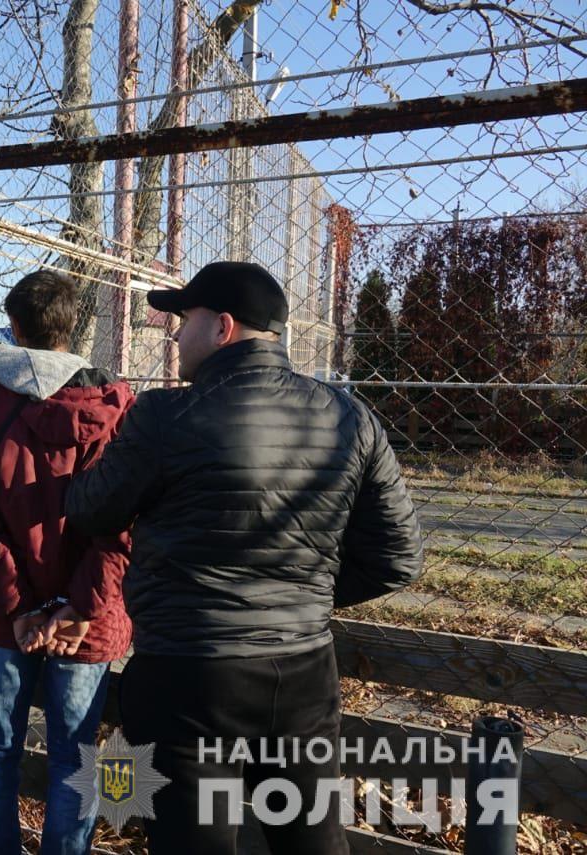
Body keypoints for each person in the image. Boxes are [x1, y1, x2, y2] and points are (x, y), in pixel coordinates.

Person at [65, 261, 423, 855]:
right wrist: (296, 595)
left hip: (187, 674)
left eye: (184, 319)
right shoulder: (348, 417)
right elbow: (398, 558)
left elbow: (90, 511)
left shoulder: (163, 417)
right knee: (311, 841)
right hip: (302, 671)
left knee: (190, 840)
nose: (174, 333)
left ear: (223, 327)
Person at [0, 269, 134, 854]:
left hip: (8, 618)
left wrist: (22, 608)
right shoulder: (118, 407)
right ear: (69, 328)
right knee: (76, 757)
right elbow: (124, 525)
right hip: (88, 619)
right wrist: (78, 606)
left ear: (14, 326)